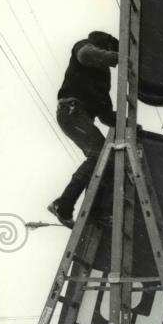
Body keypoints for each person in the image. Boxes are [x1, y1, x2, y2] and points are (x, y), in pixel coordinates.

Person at [47, 31, 119, 228]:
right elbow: (86, 55)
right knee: (98, 154)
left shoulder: (103, 77)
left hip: (79, 115)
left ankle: (97, 211)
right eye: (109, 51)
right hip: (70, 111)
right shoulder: (84, 46)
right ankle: (63, 205)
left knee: (108, 158)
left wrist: (127, 123)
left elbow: (104, 113)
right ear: (103, 46)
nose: (109, 60)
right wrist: (120, 57)